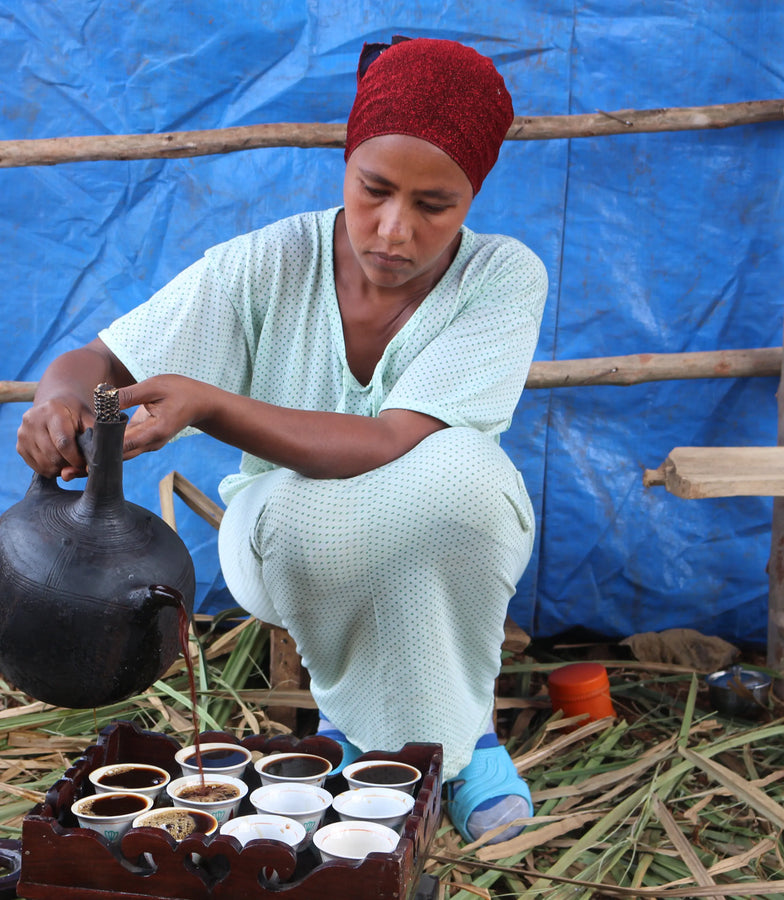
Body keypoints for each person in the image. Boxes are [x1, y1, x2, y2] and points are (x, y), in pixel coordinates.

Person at [16, 36, 548, 844]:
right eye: (374, 190)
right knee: (321, 515)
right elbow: (99, 357)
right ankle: (410, 736)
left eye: (434, 205)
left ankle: (430, 741)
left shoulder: (504, 276)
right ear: (346, 164)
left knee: (461, 482)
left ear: (473, 194)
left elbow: (387, 440)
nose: (395, 229)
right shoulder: (274, 261)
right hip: (283, 536)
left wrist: (207, 405)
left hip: (439, 513)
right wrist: (59, 399)